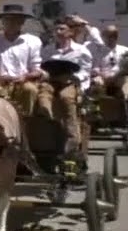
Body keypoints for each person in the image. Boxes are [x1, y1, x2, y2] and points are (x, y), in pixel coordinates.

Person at [0, 11, 44, 118]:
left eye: (15, 20)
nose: (11, 23)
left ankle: (24, 121)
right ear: (3, 22)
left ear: (21, 22)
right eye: (7, 20)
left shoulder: (33, 42)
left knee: (30, 90)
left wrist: (24, 77)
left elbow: (37, 69)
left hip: (21, 83)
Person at [39, 21, 93, 154]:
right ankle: (51, 119)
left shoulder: (81, 50)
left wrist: (74, 78)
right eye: (56, 29)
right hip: (51, 81)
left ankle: (73, 137)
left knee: (66, 97)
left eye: (62, 29)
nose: (58, 32)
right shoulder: (48, 49)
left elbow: (86, 71)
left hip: (70, 82)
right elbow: (41, 66)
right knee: (43, 94)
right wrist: (44, 74)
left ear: (71, 32)